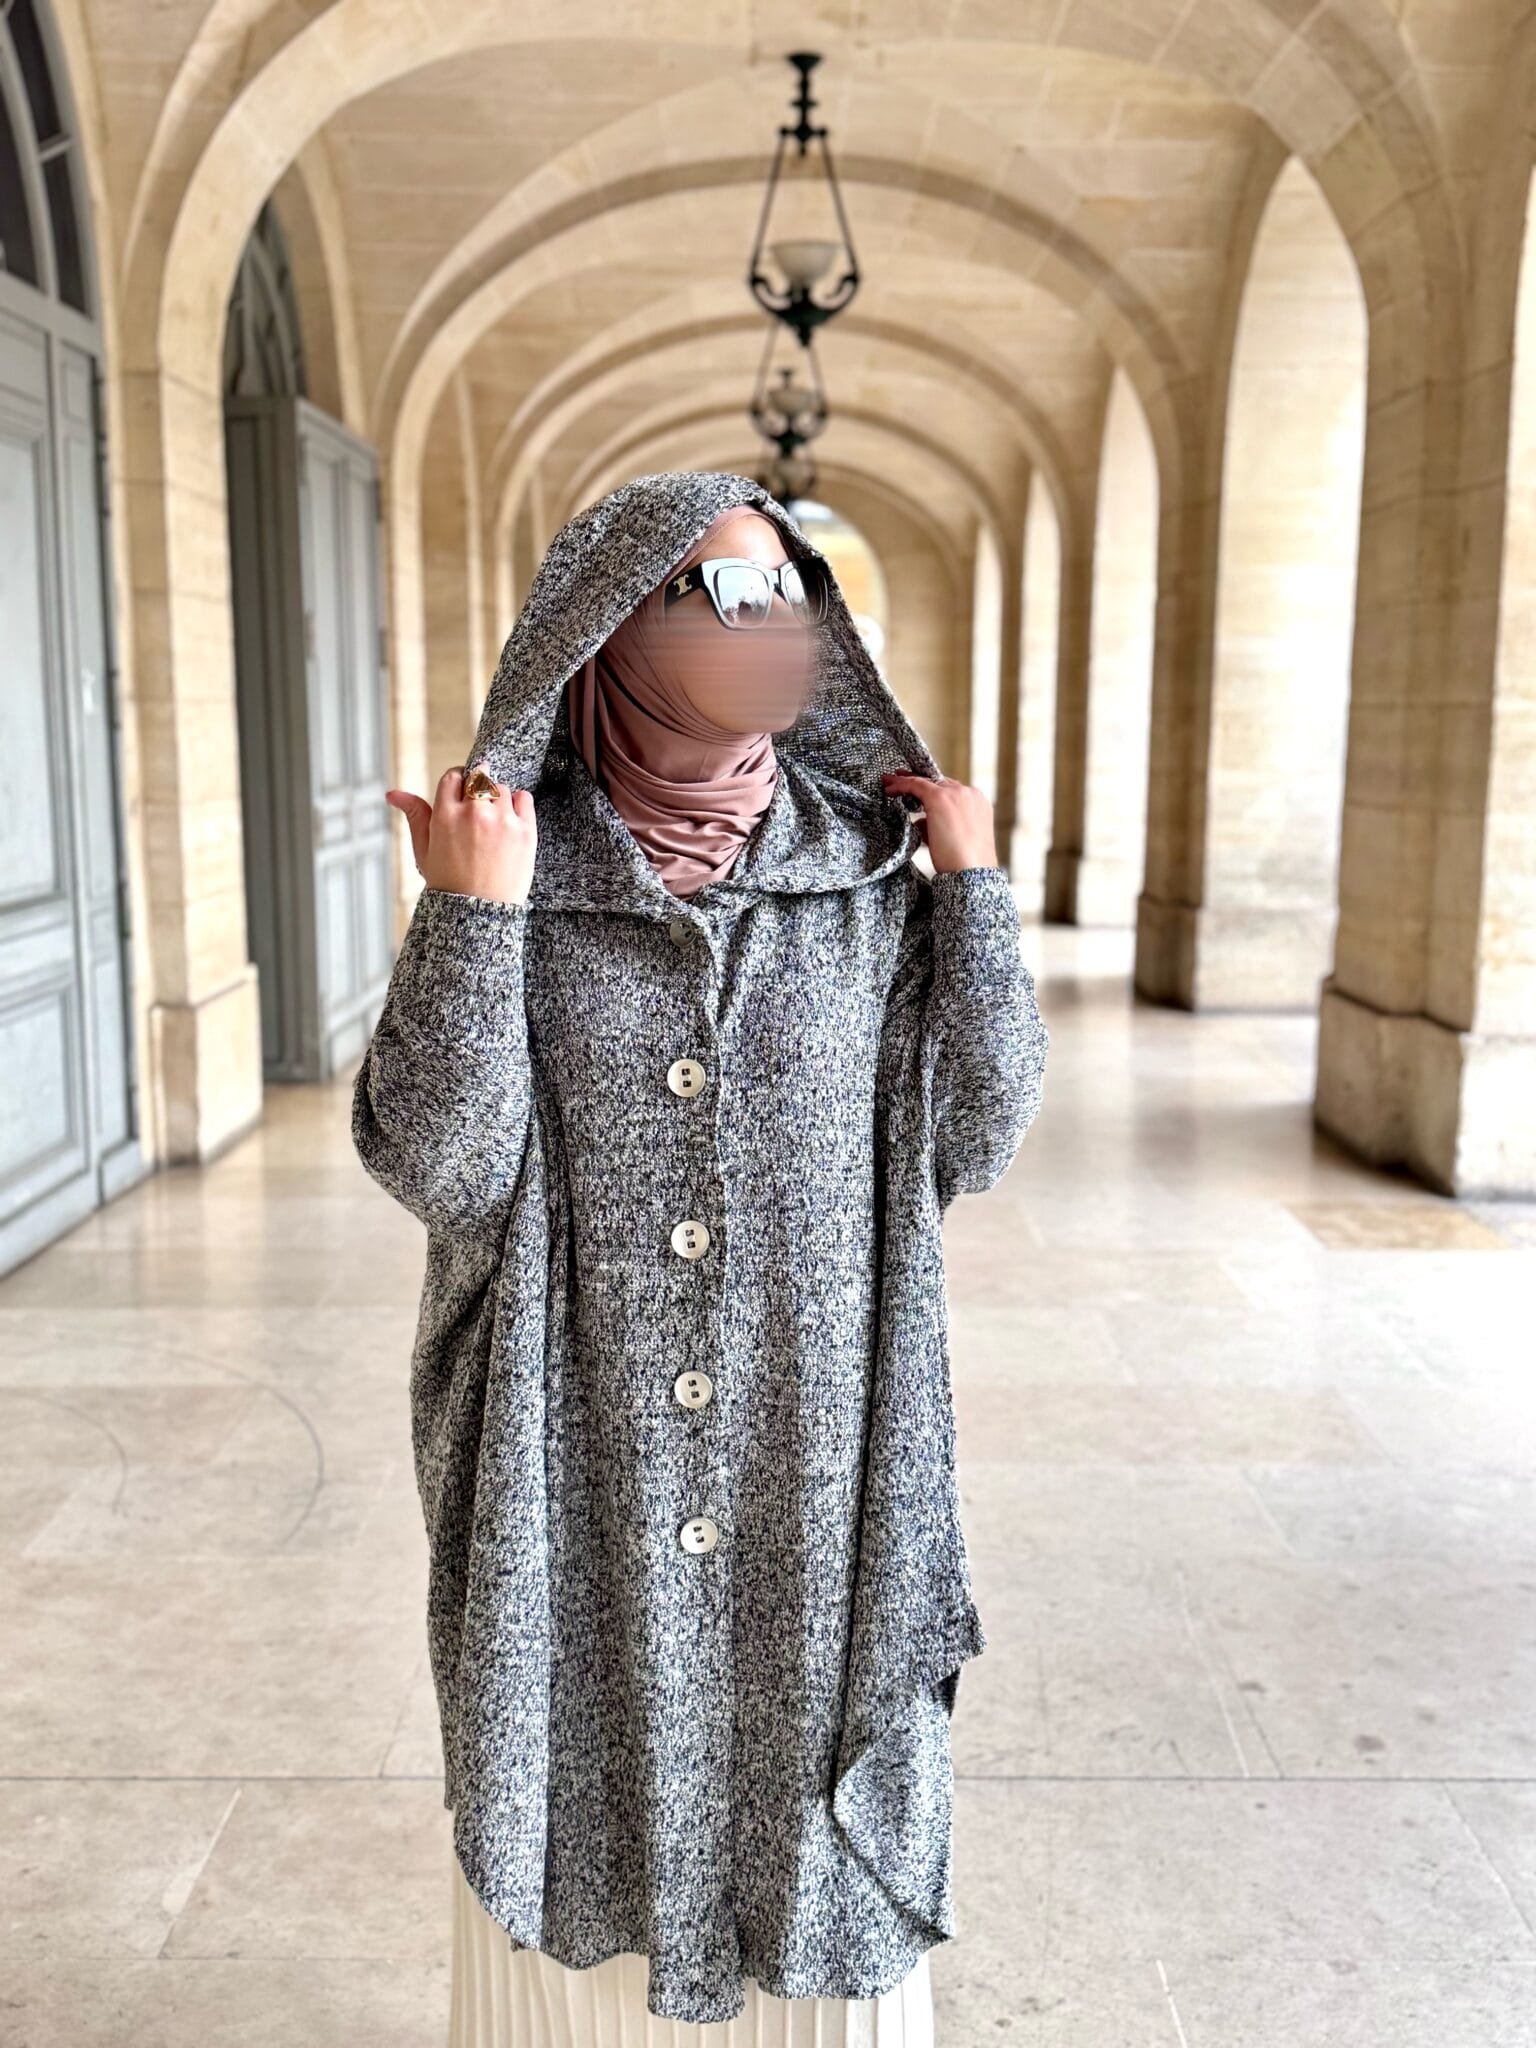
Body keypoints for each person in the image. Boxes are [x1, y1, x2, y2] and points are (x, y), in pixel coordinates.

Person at [352, 470, 1050, 2043]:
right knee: (577, 1831)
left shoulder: (867, 880)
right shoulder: (511, 867)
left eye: (791, 593)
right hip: (576, 1472)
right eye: (724, 595)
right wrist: (469, 921)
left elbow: (980, 1134)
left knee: (811, 1847)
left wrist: (975, 892)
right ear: (606, 625)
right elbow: (442, 1172)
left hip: (817, 1466)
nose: (772, 628)